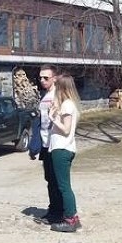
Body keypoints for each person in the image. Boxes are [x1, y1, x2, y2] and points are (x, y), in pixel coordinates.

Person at [47, 74, 81, 232]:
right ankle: (73, 217)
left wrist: (52, 118)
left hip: (62, 148)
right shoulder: (67, 104)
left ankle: (70, 218)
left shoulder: (67, 104)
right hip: (61, 148)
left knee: (63, 186)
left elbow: (66, 129)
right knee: (63, 185)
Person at [34, 65, 63, 226]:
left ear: (55, 78)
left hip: (56, 142)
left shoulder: (59, 95)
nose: (42, 80)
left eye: (46, 77)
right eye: (41, 78)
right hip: (45, 142)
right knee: (49, 179)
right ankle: (53, 210)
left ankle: (59, 212)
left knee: (56, 180)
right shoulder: (45, 96)